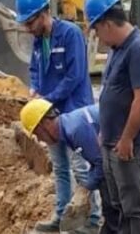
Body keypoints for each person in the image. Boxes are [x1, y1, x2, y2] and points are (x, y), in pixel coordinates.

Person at [15, 0, 101, 233]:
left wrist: (46, 100)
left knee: (81, 165)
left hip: (72, 110)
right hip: (48, 112)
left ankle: (91, 220)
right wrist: (33, 88)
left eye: (30, 22)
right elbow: (34, 69)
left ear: (43, 13)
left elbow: (74, 76)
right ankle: (62, 216)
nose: (27, 29)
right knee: (60, 167)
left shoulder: (70, 34)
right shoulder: (38, 40)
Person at [84, 0, 140, 234]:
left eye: (96, 29)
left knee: (135, 207)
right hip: (113, 141)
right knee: (118, 204)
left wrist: (127, 138)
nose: (97, 35)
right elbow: (111, 92)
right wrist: (105, 133)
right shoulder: (118, 49)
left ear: (107, 24)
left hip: (132, 144)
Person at [21, 99, 118, 234]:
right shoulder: (69, 128)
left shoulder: (76, 130)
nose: (39, 139)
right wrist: (85, 187)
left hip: (134, 144)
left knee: (116, 203)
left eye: (37, 133)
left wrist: (85, 188)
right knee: (109, 201)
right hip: (118, 147)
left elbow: (102, 163)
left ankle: (95, 225)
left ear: (46, 123)